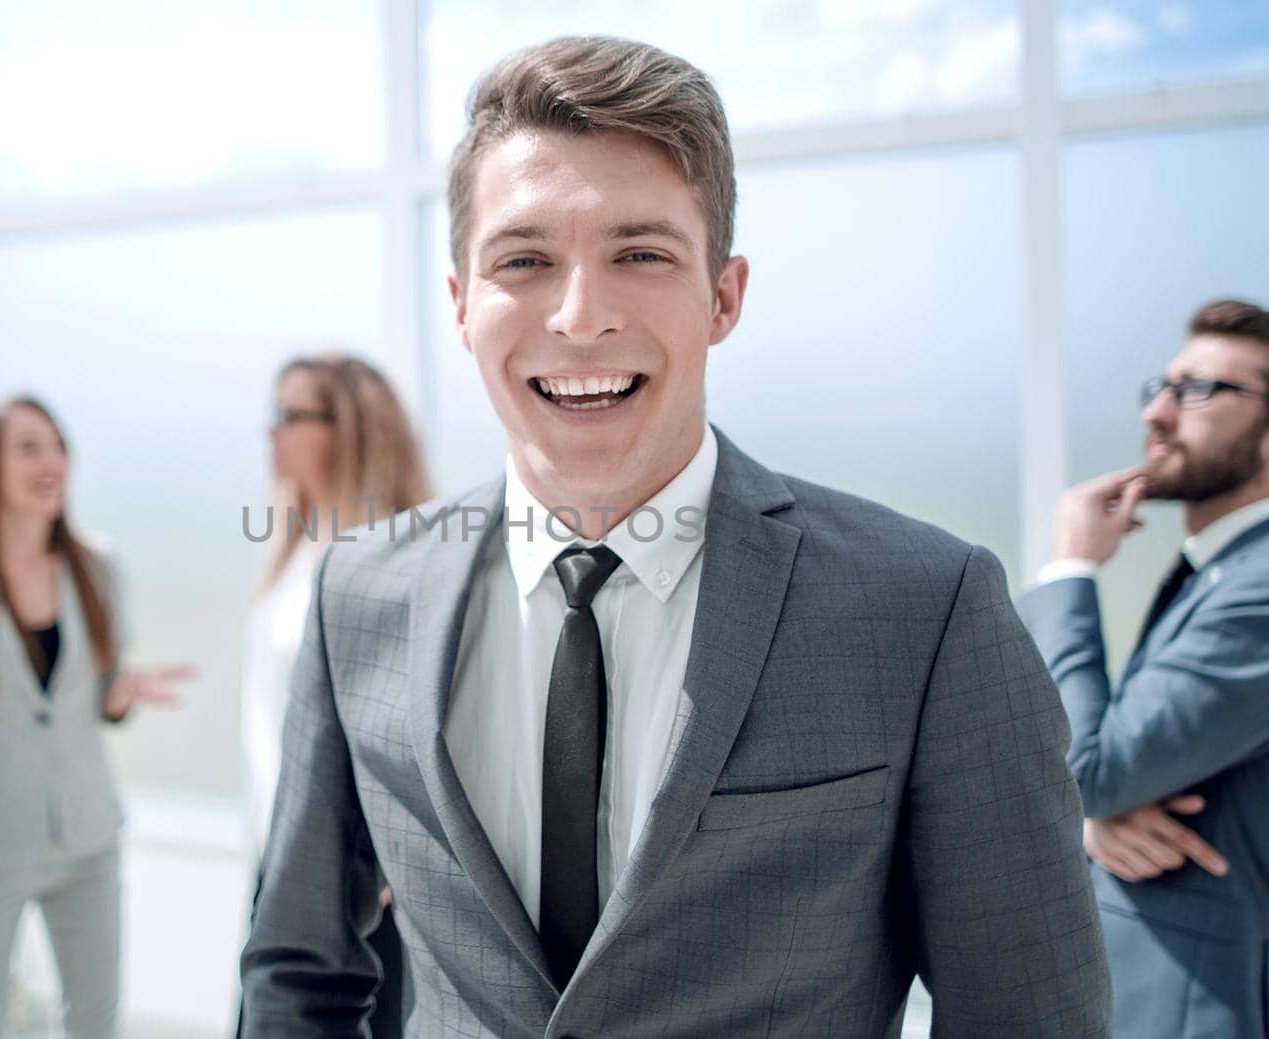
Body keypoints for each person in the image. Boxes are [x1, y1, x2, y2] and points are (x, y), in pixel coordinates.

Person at [240, 36, 1110, 1037]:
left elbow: (1028, 1015)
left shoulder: (924, 608)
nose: (578, 315)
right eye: (523, 260)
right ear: (461, 306)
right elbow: (298, 973)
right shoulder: (360, 593)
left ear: (723, 296)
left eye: (639, 254)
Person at [0, 395, 185, 1039]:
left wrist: (119, 696)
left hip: (88, 836)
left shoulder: (98, 566)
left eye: (58, 446)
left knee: (95, 1018)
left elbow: (99, 689)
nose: (50, 462)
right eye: (27, 447)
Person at [1018, 298, 1269, 1037]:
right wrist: (1093, 819)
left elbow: (1091, 767)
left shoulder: (1259, 585)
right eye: (1161, 385)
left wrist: (1071, 565)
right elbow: (1097, 778)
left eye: (1200, 390)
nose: (1158, 412)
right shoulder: (1219, 571)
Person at [242, 354, 433, 1038]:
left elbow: (409, 722)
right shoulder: (296, 544)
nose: (271, 434)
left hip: (355, 877)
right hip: (282, 854)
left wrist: (383, 854)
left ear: (349, 428)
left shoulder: (390, 556)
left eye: (289, 416)